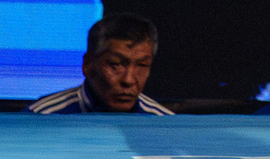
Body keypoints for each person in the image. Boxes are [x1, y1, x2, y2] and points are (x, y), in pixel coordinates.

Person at [29, 13, 172, 115]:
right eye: (115, 65)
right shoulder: (41, 120)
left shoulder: (165, 126)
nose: (128, 80)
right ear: (88, 65)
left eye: (141, 65)